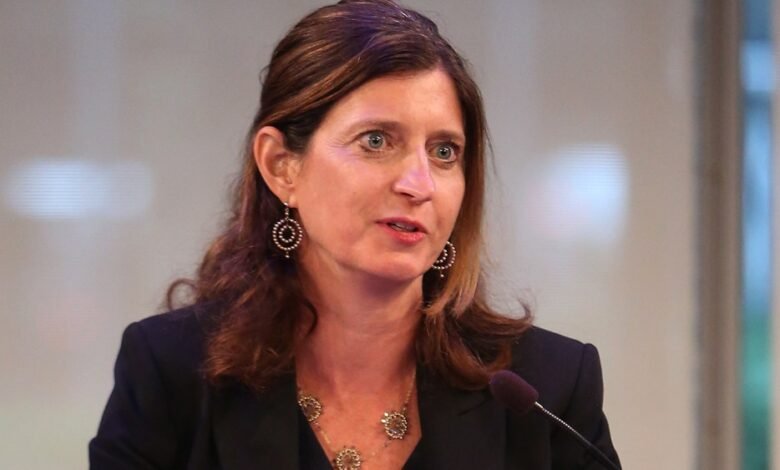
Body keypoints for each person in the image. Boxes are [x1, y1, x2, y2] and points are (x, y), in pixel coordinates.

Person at [89, 1, 620, 469]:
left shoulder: (547, 388)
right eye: (376, 141)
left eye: (444, 152)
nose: (419, 185)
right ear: (281, 166)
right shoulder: (171, 374)